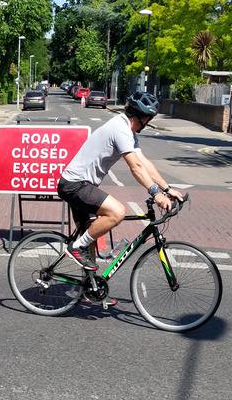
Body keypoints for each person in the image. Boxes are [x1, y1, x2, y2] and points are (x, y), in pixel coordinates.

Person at [57, 91, 185, 271]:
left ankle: (89, 291)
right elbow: (135, 167)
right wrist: (156, 193)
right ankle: (77, 247)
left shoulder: (128, 132)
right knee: (117, 212)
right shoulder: (120, 129)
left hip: (83, 185)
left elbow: (143, 162)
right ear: (142, 117)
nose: (148, 123)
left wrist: (167, 188)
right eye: (148, 118)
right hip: (74, 185)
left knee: (91, 234)